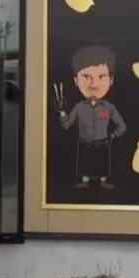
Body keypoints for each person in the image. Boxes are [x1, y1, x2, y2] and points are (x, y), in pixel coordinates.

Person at [53, 46, 126, 189]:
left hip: (102, 143)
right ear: (76, 81)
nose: (94, 84)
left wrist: (112, 135)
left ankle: (103, 180)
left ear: (111, 80)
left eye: (101, 77)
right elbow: (66, 125)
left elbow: (122, 125)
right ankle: (84, 180)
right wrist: (62, 112)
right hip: (84, 143)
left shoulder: (108, 107)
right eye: (86, 77)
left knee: (102, 163)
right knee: (85, 163)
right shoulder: (79, 107)